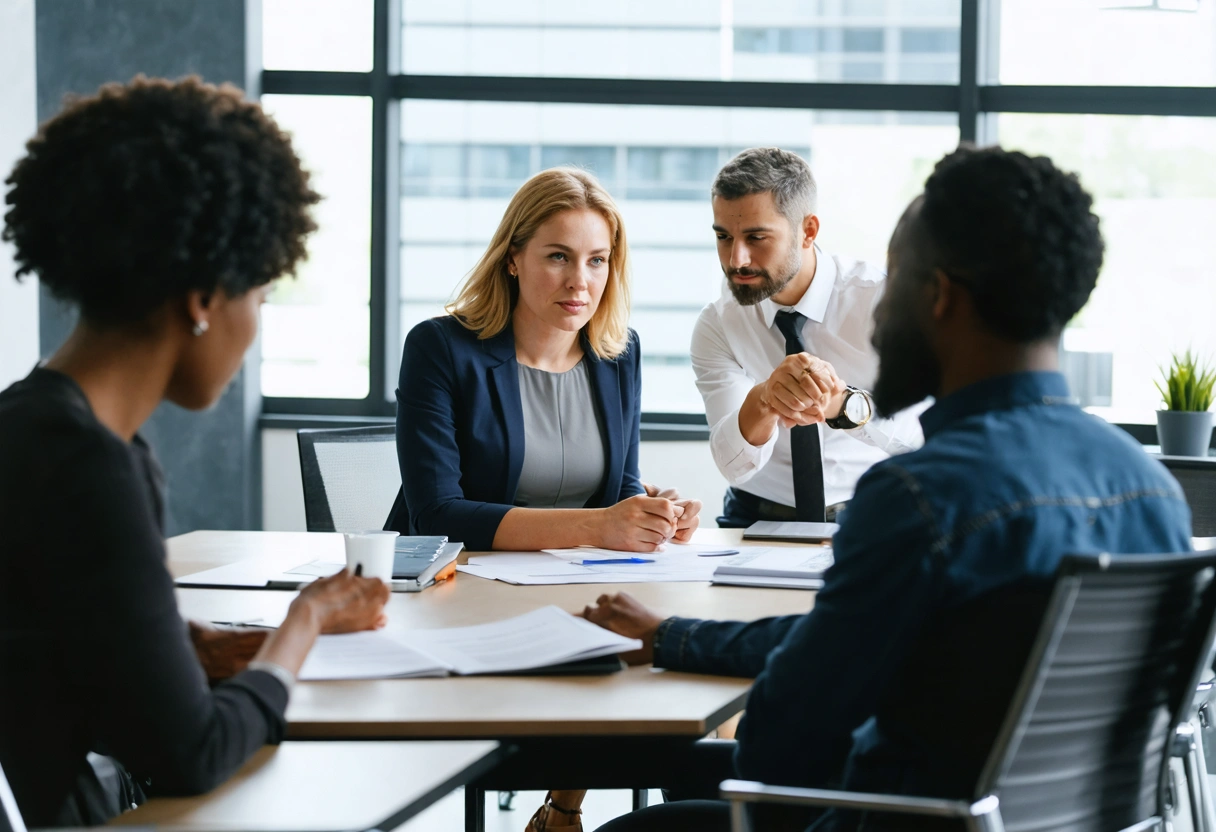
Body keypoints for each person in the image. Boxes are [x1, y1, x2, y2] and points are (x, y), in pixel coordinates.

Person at [580, 145, 1194, 831]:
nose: (875, 315)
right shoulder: (1153, 492)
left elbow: (779, 750)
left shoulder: (920, 501)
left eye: (895, 282)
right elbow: (853, 637)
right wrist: (677, 638)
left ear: (938, 297)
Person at [0, 76, 391, 827]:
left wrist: (193, 652)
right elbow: (193, 752)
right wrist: (303, 622)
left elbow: (51, 656)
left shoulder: (30, 425)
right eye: (261, 296)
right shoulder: (90, 468)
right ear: (205, 298)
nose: (257, 327)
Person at [385, 167, 702, 555]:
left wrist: (652, 515)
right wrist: (599, 526)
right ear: (513, 258)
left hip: (575, 576)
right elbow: (436, 516)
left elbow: (619, 488)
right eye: (558, 256)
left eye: (596, 260)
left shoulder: (619, 353)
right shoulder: (439, 348)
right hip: (457, 577)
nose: (579, 281)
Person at [694, 147, 924, 527]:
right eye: (723, 236)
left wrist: (841, 404)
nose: (736, 259)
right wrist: (764, 400)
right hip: (754, 517)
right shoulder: (718, 324)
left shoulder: (882, 302)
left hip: (870, 514)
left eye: (756, 237)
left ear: (808, 231)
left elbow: (917, 433)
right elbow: (733, 466)